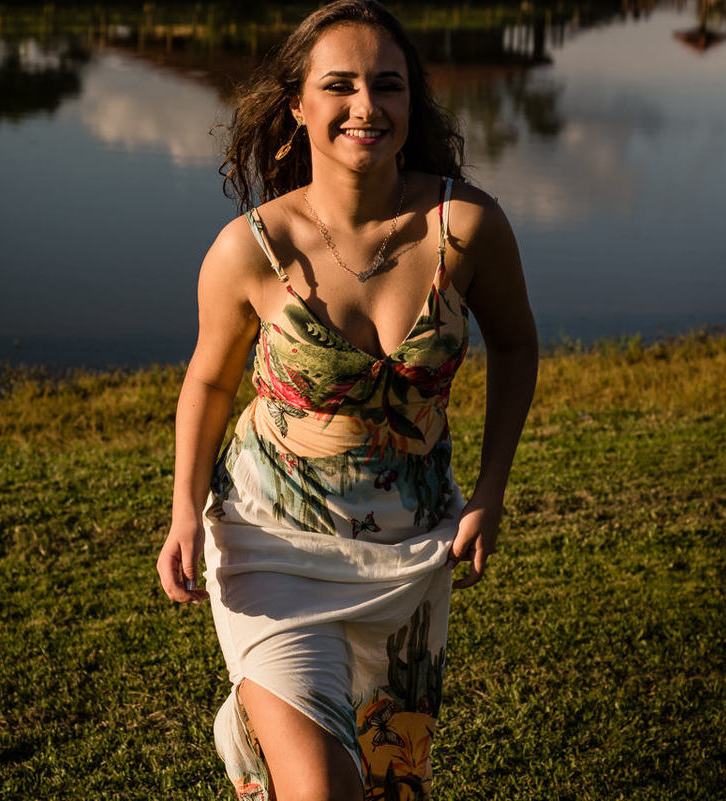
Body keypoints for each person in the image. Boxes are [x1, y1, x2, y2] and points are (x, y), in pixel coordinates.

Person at [157, 2, 537, 799]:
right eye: (340, 85)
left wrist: (491, 491)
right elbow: (210, 380)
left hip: (409, 553)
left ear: (411, 100)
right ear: (298, 103)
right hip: (269, 547)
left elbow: (515, 345)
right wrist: (184, 509)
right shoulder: (252, 248)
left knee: (385, 777)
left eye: (387, 85)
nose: (367, 106)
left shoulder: (465, 227)